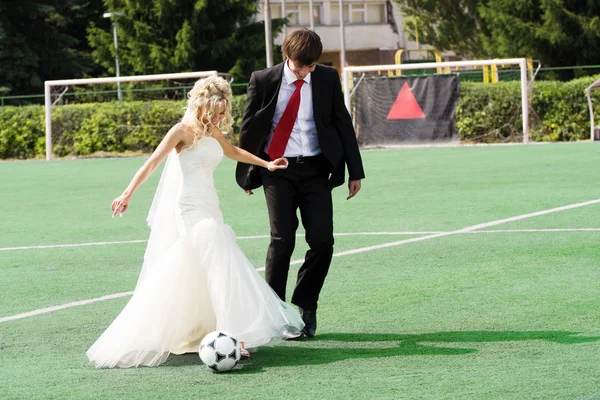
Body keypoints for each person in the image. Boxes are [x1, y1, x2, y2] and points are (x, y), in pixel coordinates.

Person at [86, 76, 304, 368]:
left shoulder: (213, 131)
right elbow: (152, 162)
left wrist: (266, 163)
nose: (217, 117)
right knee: (219, 251)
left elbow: (232, 152)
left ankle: (218, 331)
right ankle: (233, 335)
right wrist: (127, 193)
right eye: (213, 110)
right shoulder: (181, 132)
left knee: (212, 267)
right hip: (189, 208)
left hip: (210, 204)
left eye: (221, 112)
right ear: (200, 104)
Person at [235, 29, 365, 337]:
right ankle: (276, 312)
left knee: (322, 242)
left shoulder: (326, 78)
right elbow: (249, 128)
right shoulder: (263, 80)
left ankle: (307, 303)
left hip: (317, 168)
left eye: (311, 66)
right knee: (282, 241)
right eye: (300, 66)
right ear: (286, 57)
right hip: (277, 169)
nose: (305, 72)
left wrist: (355, 171)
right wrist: (246, 173)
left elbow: (342, 122)